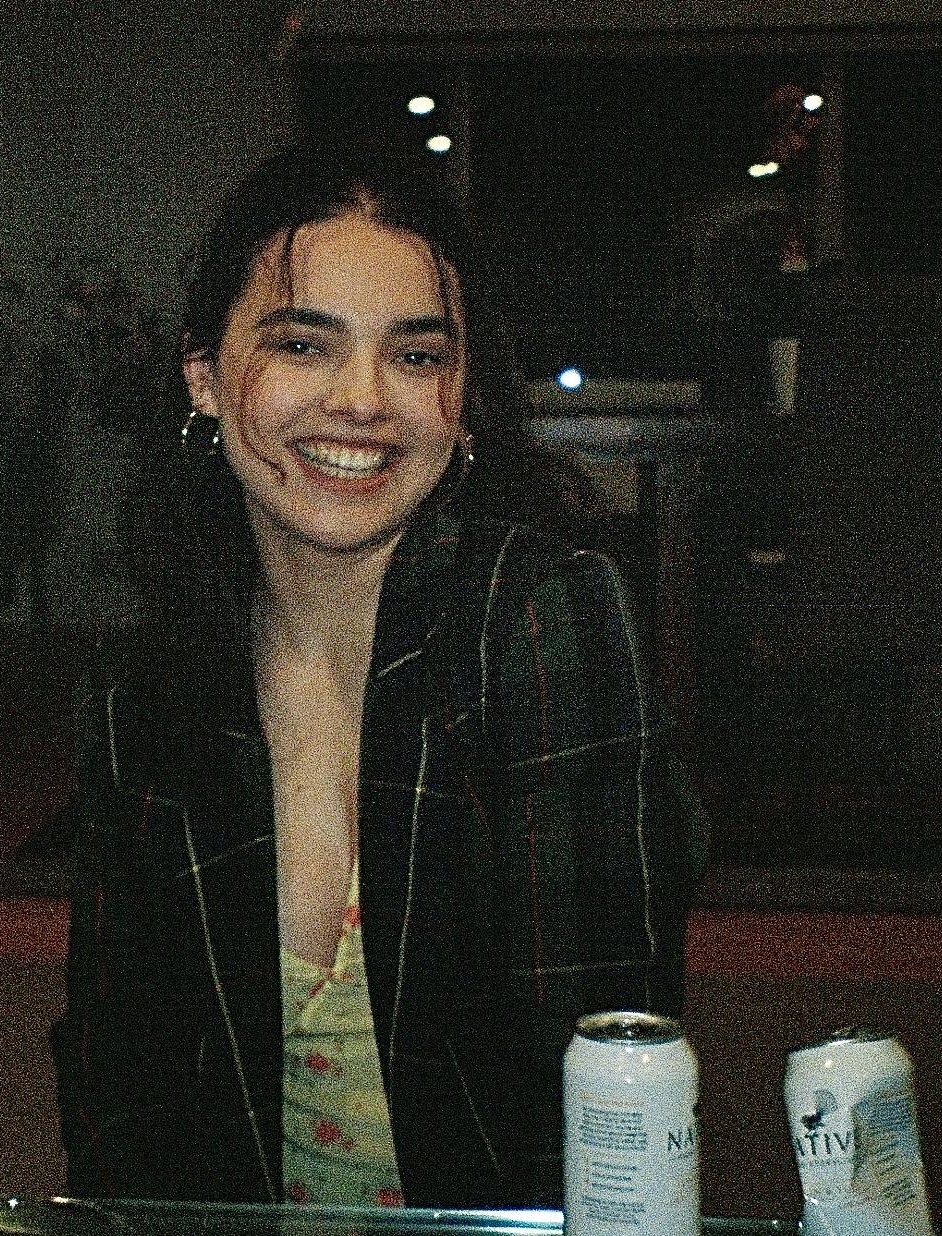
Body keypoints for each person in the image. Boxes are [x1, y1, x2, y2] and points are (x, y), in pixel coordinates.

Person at [49, 144, 707, 1211]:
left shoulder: (543, 624)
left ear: (464, 398)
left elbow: (597, 1100)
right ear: (203, 377)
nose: (362, 400)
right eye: (303, 343)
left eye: (415, 355)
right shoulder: (138, 692)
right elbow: (118, 1097)